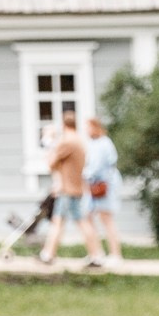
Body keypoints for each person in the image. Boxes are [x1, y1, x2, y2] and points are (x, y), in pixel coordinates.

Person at [38, 106, 93, 267]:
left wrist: (48, 141)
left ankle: (48, 255)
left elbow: (50, 162)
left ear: (64, 124)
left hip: (68, 190)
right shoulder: (78, 140)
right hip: (73, 187)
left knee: (64, 221)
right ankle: (49, 254)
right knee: (66, 221)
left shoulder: (67, 141)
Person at [83, 113, 123, 265]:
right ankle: (96, 252)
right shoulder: (94, 144)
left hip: (103, 185)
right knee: (88, 217)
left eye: (88, 127)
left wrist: (82, 175)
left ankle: (115, 254)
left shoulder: (104, 143)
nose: (86, 130)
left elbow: (96, 166)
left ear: (95, 127)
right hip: (94, 186)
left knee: (106, 219)